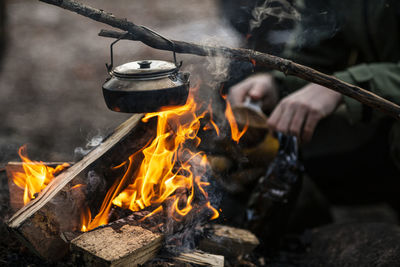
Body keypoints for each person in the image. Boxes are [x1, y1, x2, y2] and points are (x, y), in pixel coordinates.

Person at [226, 0, 400, 210]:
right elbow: (318, 51)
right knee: (238, 76)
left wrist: (342, 87)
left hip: (387, 115)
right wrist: (278, 83)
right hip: (380, 115)